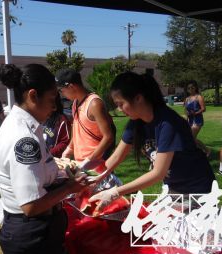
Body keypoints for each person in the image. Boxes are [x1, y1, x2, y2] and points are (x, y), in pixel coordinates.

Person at [0, 64, 88, 254]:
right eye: (52, 98)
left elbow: (39, 174)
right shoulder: (24, 138)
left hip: (35, 234)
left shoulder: (26, 128)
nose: (55, 106)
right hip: (33, 236)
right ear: (33, 95)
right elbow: (31, 205)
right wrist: (70, 188)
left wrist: (62, 177)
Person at [89, 72, 214, 210]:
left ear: (138, 98)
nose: (119, 109)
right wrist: (92, 180)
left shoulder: (168, 123)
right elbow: (116, 158)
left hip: (197, 190)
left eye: (121, 104)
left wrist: (115, 192)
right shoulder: (136, 123)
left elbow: (158, 173)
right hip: (172, 187)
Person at [57, 69, 115, 164]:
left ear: (71, 87)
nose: (61, 94)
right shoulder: (75, 103)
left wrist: (89, 160)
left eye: (61, 90)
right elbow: (77, 131)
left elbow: (108, 137)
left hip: (96, 164)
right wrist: (69, 149)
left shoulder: (94, 104)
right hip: (80, 163)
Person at [43, 93, 71, 158]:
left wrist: (50, 154)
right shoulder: (40, 115)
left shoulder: (62, 120)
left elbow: (65, 142)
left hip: (53, 160)